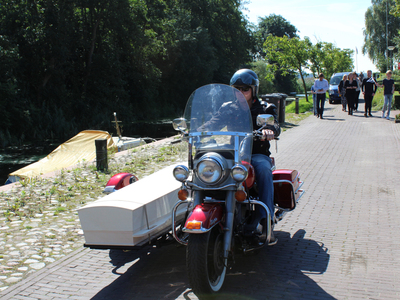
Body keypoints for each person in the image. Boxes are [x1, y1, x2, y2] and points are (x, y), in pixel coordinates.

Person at [230, 69, 280, 245]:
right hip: (233, 155)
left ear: (253, 90)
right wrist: (199, 128)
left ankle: (267, 222)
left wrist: (270, 130)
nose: (241, 93)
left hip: (256, 154)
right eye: (237, 89)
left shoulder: (265, 108)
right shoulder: (227, 107)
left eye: (245, 89)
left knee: (264, 170)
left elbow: (275, 125)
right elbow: (214, 122)